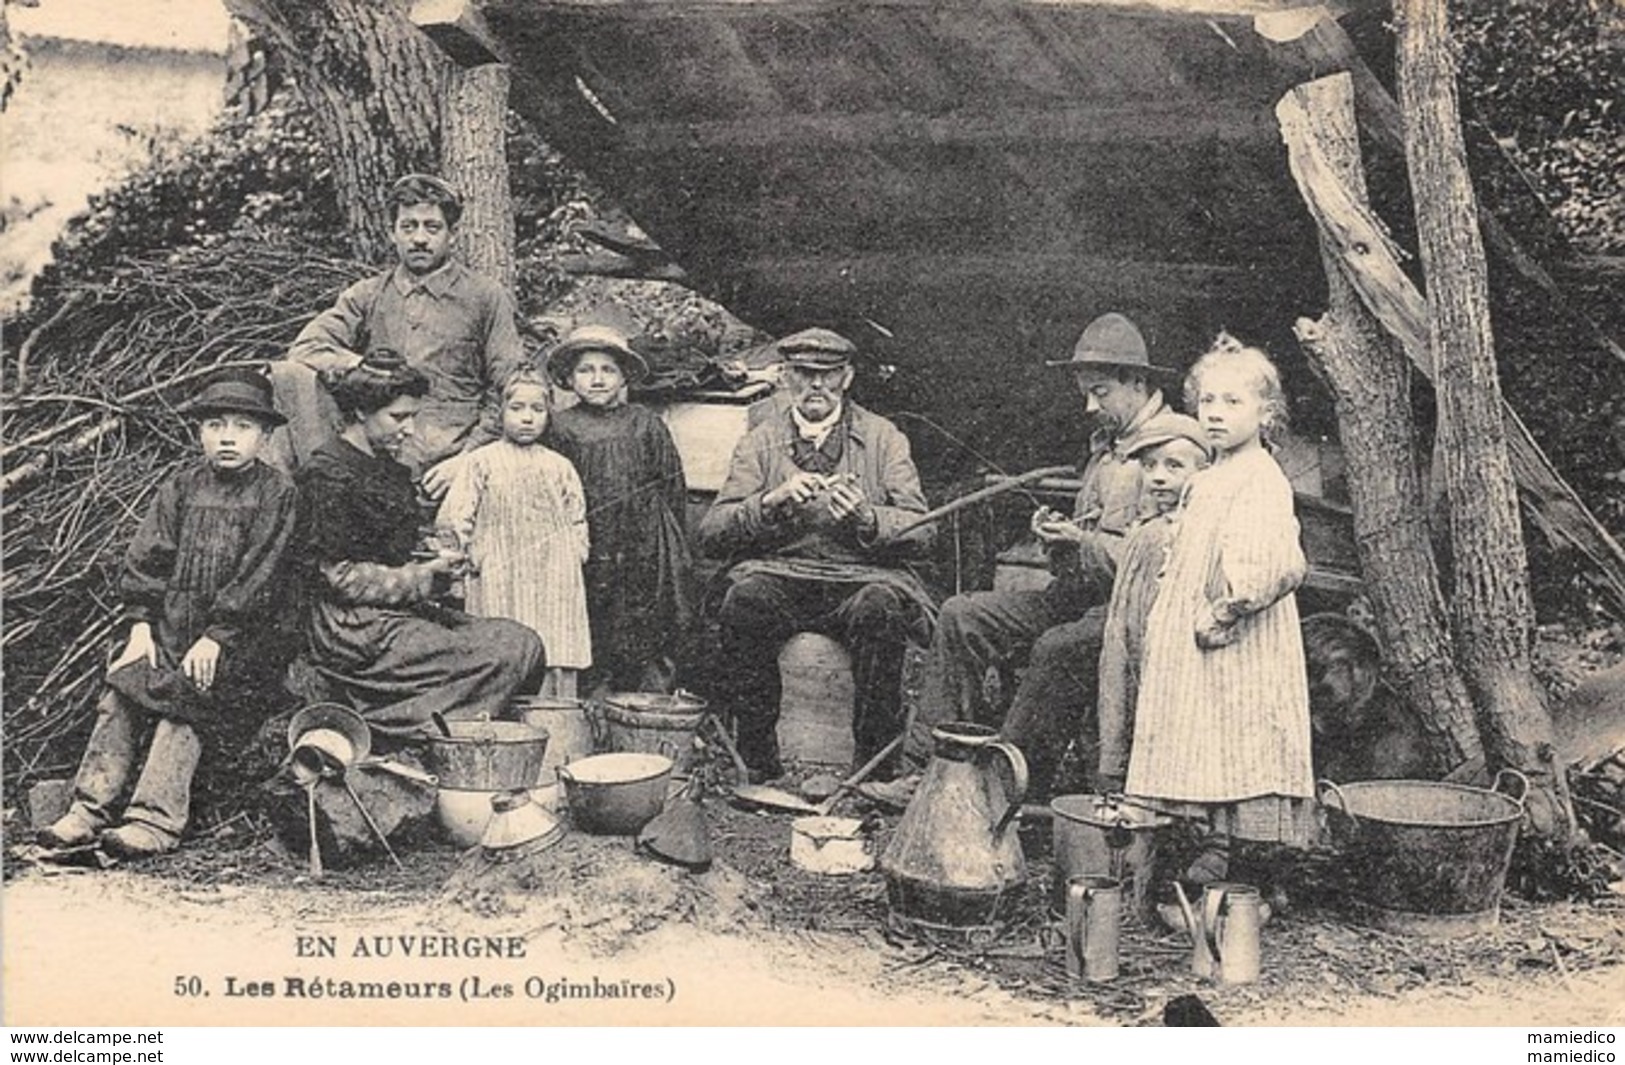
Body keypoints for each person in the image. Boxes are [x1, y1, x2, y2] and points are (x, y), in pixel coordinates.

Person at [862, 312, 1172, 807]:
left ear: (1137, 381)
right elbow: (1091, 539)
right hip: (1078, 597)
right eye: (1085, 392)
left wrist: (1082, 541)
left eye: (1101, 392)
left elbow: (1159, 561)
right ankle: (927, 770)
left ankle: (1004, 789)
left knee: (1056, 647)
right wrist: (1058, 537)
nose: (1090, 405)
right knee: (962, 615)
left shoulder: (1173, 451)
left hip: (1130, 615)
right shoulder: (1107, 446)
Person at [39, 369, 298, 858]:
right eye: (215, 424)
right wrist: (140, 626)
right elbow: (147, 559)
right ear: (199, 432)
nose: (227, 437)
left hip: (240, 640)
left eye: (242, 426)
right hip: (170, 627)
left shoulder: (276, 494)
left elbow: (260, 577)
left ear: (265, 436)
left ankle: (154, 820)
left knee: (187, 698)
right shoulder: (180, 487)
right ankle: (88, 809)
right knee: (124, 685)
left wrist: (218, 636)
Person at [699, 328, 935, 781]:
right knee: (745, 601)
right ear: (786, 377)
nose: (816, 387)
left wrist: (868, 518)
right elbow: (712, 531)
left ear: (847, 378)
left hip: (859, 578)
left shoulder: (884, 438)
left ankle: (871, 770)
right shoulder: (760, 441)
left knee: (880, 608)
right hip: (781, 573)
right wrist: (768, 502)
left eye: (828, 375)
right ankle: (760, 765)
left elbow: (923, 530)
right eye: (805, 375)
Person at [1126, 335, 1316, 883]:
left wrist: (1229, 609)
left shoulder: (1260, 477)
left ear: (1266, 412)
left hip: (1236, 639)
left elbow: (1278, 561)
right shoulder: (1210, 478)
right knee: (1207, 739)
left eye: (1233, 403)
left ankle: (1247, 870)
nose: (1215, 414)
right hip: (1198, 642)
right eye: (1207, 401)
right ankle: (1213, 848)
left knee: (1241, 738)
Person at [295, 352, 543, 739]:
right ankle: (397, 730)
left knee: (522, 642)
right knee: (502, 654)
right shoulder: (327, 473)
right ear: (360, 411)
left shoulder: (391, 469)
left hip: (397, 612)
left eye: (412, 416)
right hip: (352, 626)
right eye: (398, 417)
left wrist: (439, 558)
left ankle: (437, 726)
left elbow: (398, 545)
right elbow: (337, 576)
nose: (409, 429)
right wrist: (424, 577)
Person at [271, 173, 527, 492]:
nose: (419, 238)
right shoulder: (368, 294)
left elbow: (509, 386)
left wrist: (469, 459)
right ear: (393, 233)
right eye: (408, 226)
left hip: (446, 456)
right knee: (287, 376)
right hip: (376, 450)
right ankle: (285, 499)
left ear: (453, 235)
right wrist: (367, 371)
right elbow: (307, 347)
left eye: (432, 227)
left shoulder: (484, 297)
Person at [544, 325, 694, 694]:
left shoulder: (644, 423)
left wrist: (667, 544)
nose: (597, 379)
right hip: (588, 542)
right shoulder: (560, 427)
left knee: (642, 624)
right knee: (592, 619)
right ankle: (590, 702)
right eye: (585, 370)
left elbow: (672, 486)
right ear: (568, 377)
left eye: (607, 370)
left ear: (624, 376)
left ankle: (639, 704)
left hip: (642, 544)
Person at [437, 366, 591, 698]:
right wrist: (461, 567)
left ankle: (556, 726)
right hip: (498, 575)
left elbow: (578, 518)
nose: (527, 418)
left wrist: (573, 556)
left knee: (554, 645)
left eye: (537, 410)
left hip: (553, 580)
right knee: (500, 646)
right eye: (517, 408)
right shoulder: (481, 462)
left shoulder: (559, 466)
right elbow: (454, 521)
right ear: (501, 411)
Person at [1093, 412, 1213, 795]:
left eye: (1173, 466)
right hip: (1128, 641)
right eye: (1149, 466)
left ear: (1203, 471)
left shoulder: (1191, 531)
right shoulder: (1148, 530)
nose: (1158, 476)